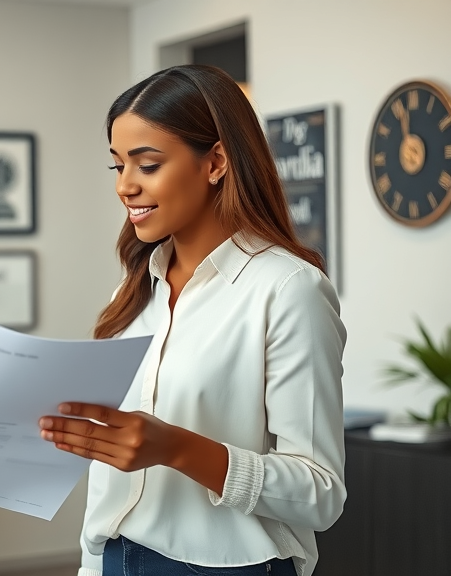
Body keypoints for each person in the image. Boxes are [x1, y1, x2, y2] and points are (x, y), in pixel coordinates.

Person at [38, 65, 346, 576]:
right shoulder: (134, 291)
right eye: (118, 167)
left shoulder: (289, 290)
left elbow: (321, 494)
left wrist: (178, 448)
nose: (126, 187)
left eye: (148, 164)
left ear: (216, 162)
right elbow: (108, 481)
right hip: (117, 558)